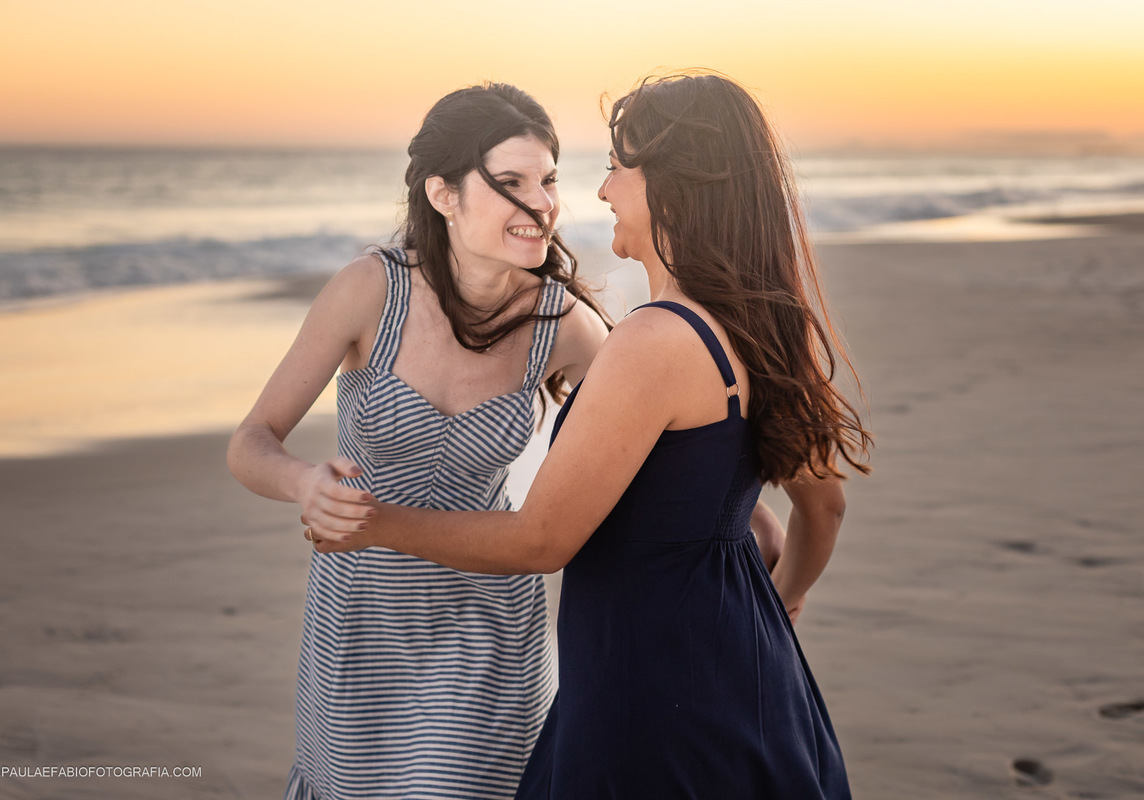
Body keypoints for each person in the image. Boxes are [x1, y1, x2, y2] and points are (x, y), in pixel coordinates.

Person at [310, 71, 872, 799]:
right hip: (757, 672)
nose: (602, 191)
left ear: (672, 185)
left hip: (647, 690)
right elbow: (823, 508)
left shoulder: (653, 342)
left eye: (615, 168)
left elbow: (540, 541)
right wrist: (784, 601)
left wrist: (372, 523)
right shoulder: (762, 326)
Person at [227, 83, 614, 799]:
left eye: (549, 180)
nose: (543, 205)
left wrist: (745, 522)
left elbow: (653, 432)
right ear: (444, 195)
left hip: (491, 626)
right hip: (360, 622)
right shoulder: (370, 290)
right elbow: (252, 440)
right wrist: (303, 482)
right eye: (510, 183)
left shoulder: (564, 325)